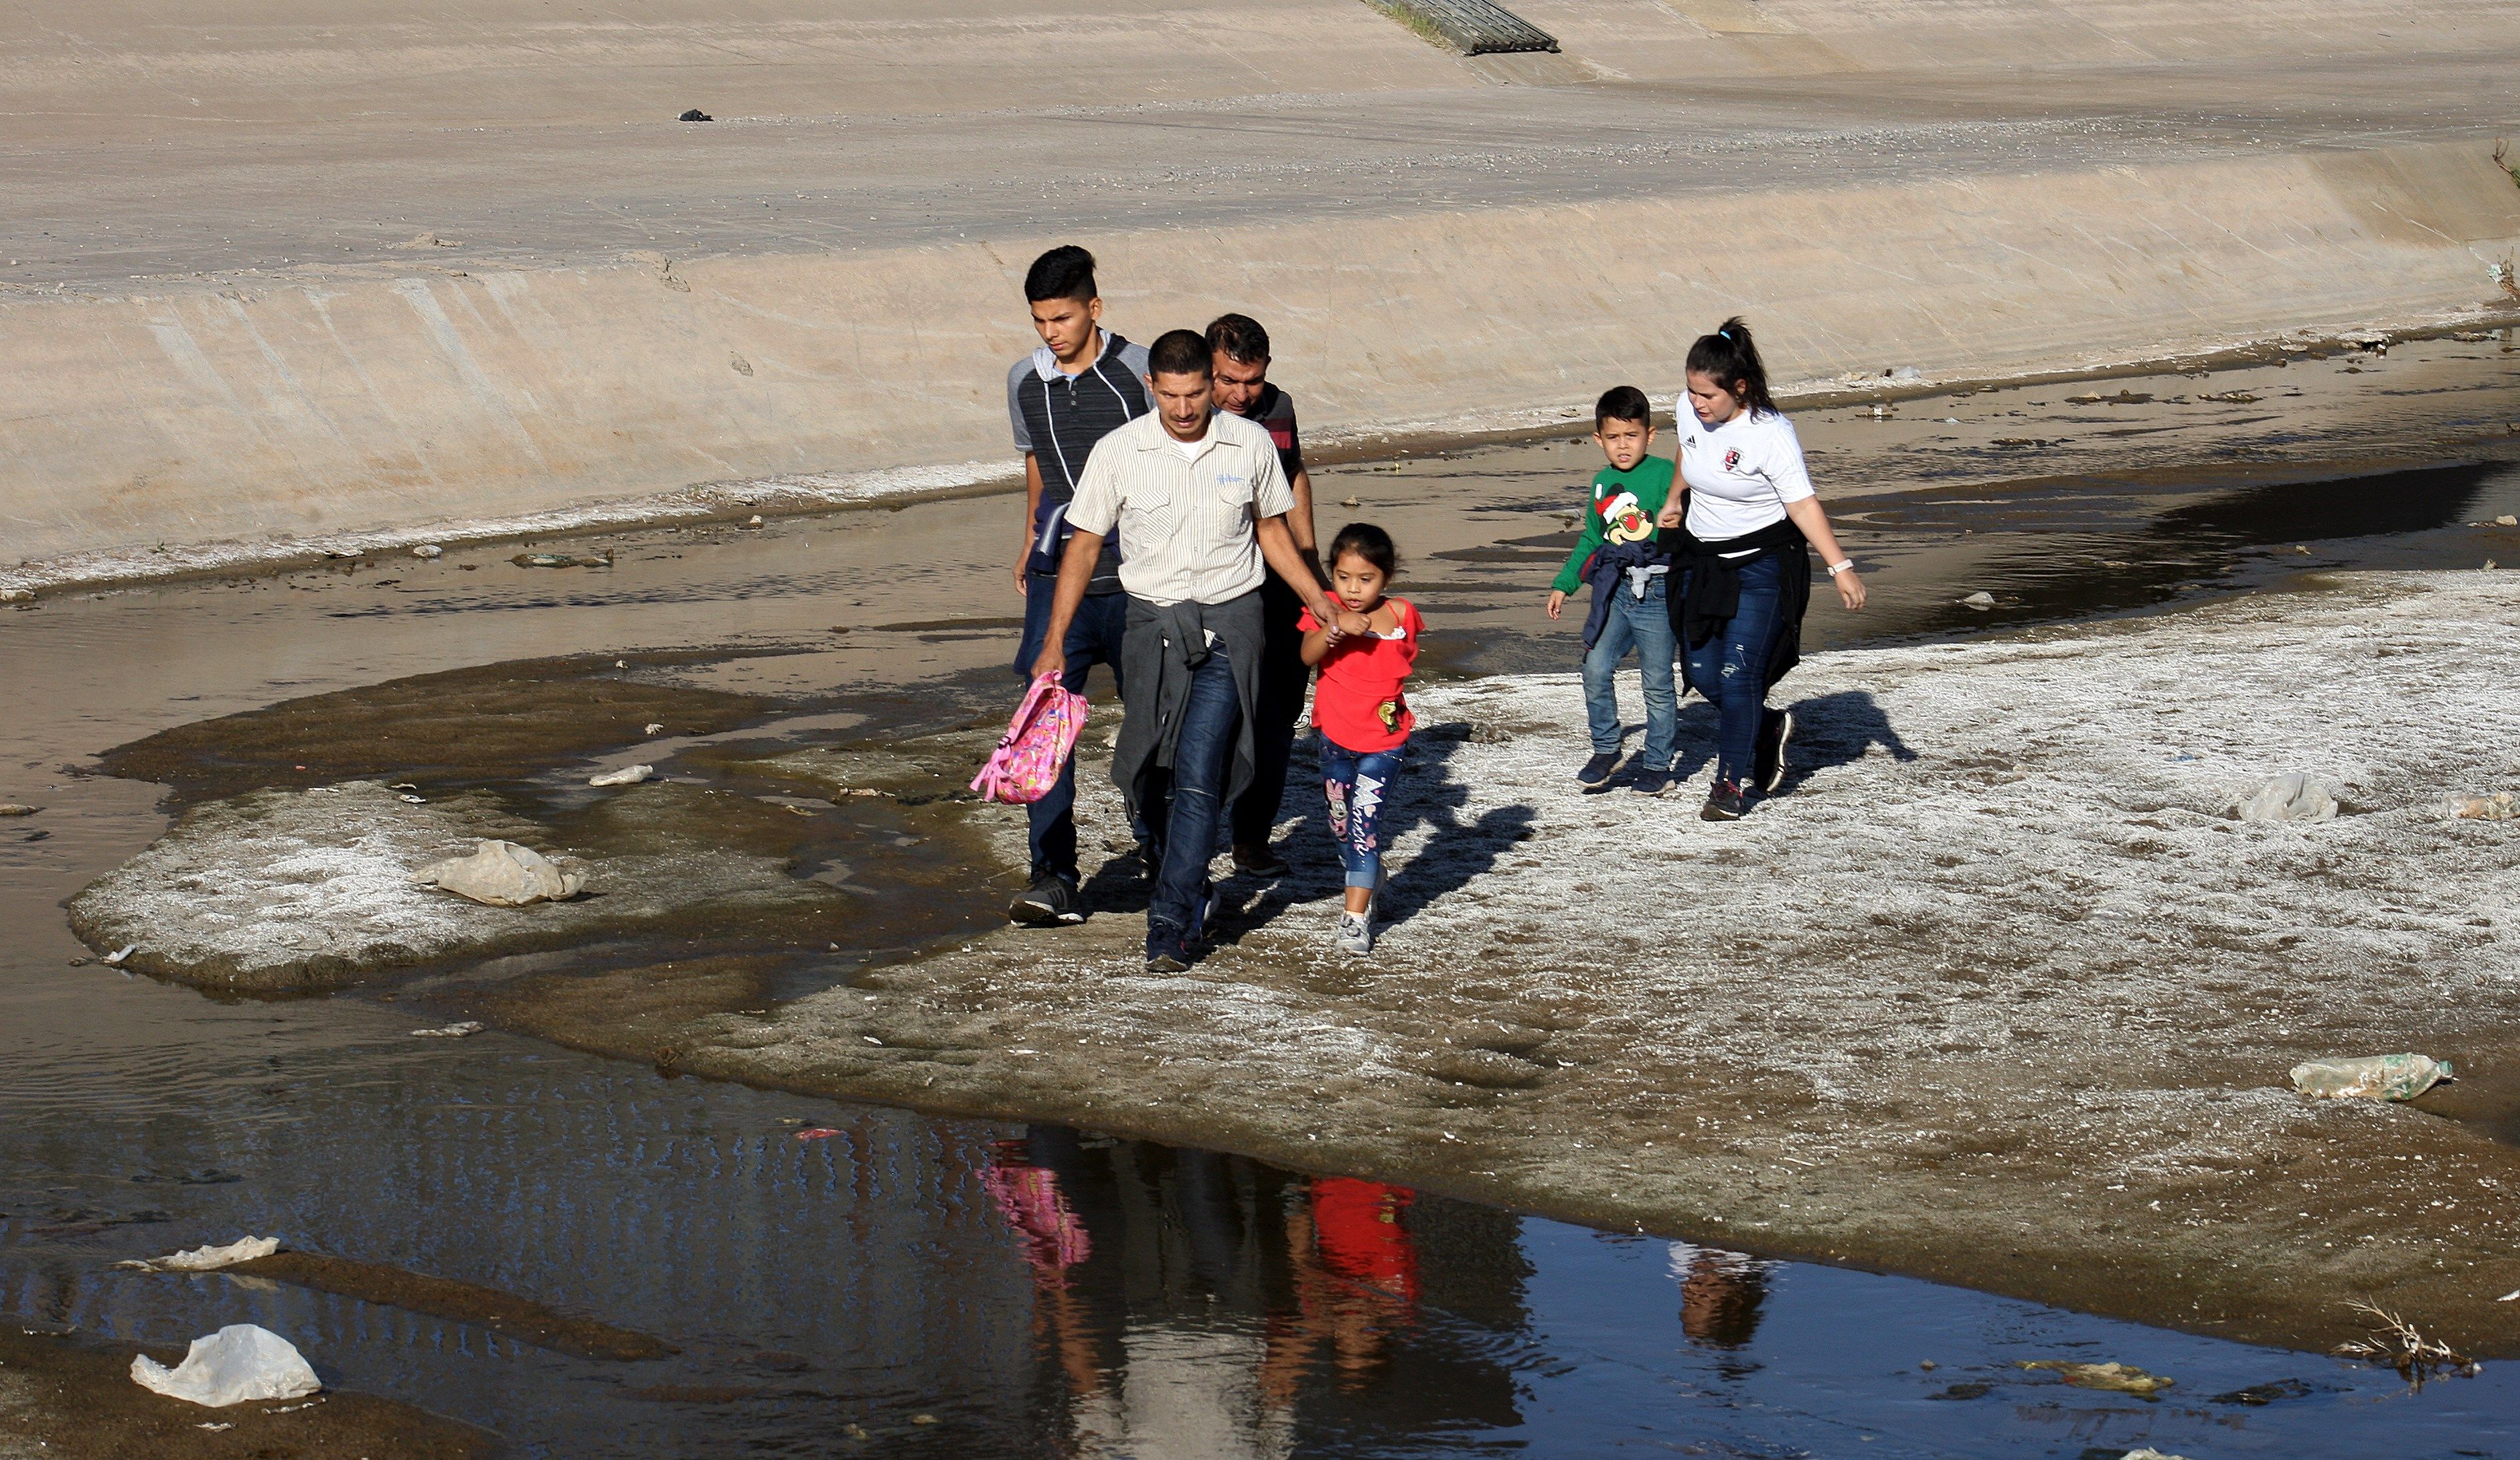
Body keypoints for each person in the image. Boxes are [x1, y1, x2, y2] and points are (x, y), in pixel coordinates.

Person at [1034, 330, 1357, 972]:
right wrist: (1052, 641)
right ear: (1151, 387)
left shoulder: (1251, 443)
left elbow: (1271, 529)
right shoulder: (1120, 452)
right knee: (1149, 774)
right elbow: (1083, 545)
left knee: (1200, 772)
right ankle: (1188, 878)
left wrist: (1317, 596)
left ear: (1210, 385)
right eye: (1172, 395)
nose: (1185, 409)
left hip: (1231, 625)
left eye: (1196, 393)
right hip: (1150, 628)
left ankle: (1171, 922)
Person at [1656, 317, 1866, 821]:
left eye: (1708, 394)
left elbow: (1803, 506)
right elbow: (1689, 451)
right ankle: (1767, 726)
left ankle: (1729, 785)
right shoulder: (1688, 409)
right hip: (1704, 561)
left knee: (1740, 673)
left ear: (1739, 388)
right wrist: (1674, 497)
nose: (1698, 403)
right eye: (1692, 391)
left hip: (1762, 567)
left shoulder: (1770, 435)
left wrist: (1840, 566)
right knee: (1704, 674)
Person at [1004, 246, 1151, 927]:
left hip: (1138, 578)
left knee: (1153, 721)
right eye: (1039, 321)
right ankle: (1052, 877)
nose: (1050, 332)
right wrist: (1030, 539)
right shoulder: (1022, 381)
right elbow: (1036, 462)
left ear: (1094, 308)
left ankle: (1160, 847)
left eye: (1061, 317)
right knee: (1043, 727)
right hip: (1056, 575)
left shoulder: (1139, 370)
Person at [1206, 313, 1324, 878]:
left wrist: (1311, 562)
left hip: (1281, 583)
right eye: (1229, 379)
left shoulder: (1279, 409)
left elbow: (1295, 474)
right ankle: (1185, 838)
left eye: (1251, 380)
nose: (1240, 394)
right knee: (1215, 715)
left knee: (1278, 716)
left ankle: (1251, 841)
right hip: (1218, 588)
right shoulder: (1187, 417)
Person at [1544, 386, 1679, 796]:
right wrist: (1563, 584)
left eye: (1632, 436)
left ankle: (1657, 764)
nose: (1624, 446)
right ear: (1599, 439)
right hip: (1616, 593)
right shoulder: (1602, 484)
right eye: (1614, 438)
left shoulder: (1665, 475)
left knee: (1657, 682)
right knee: (1595, 668)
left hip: (1658, 592)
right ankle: (1606, 748)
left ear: (1650, 435)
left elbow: (1690, 522)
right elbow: (1591, 539)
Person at [1300, 523, 1421, 956]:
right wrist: (1333, 629)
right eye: (1344, 577)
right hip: (1335, 739)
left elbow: (1403, 659)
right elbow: (1306, 655)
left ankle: (1355, 919)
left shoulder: (1403, 615)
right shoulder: (1326, 609)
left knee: (1365, 828)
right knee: (1340, 823)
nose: (1353, 589)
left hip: (1385, 743)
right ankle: (1368, 876)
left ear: (1386, 578)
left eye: (1366, 579)